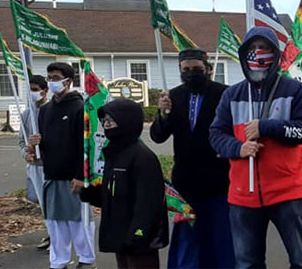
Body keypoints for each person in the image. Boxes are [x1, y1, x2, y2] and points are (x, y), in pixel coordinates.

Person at [209, 27, 302, 269]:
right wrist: (238, 148)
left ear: (276, 54)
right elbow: (216, 134)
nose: (258, 53)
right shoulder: (232, 95)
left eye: (264, 48)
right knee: (247, 264)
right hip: (241, 196)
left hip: (287, 193)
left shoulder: (296, 91)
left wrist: (267, 127)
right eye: (252, 49)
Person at [150, 48, 234, 269]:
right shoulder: (173, 96)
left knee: (220, 235)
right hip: (186, 182)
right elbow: (158, 137)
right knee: (187, 236)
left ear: (208, 69)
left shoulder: (225, 94)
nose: (191, 73)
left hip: (219, 180)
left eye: (196, 69)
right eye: (185, 70)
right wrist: (163, 114)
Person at [77, 99, 168, 269]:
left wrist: (139, 232)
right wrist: (88, 192)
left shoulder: (142, 157)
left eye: (110, 121)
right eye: (104, 122)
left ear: (127, 121)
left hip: (139, 238)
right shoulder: (114, 154)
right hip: (120, 234)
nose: (106, 126)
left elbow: (149, 202)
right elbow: (112, 193)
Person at [29, 62, 96, 269]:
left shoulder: (80, 107)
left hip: (73, 177)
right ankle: (59, 261)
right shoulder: (46, 110)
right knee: (55, 222)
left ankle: (86, 259)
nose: (51, 81)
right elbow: (44, 142)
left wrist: (80, 175)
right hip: (51, 174)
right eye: (49, 77)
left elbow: (85, 144)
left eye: (56, 78)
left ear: (68, 80)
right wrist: (34, 147)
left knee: (78, 221)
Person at [18, 74, 51, 251]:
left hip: (50, 167)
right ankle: (52, 231)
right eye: (29, 90)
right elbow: (21, 142)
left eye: (36, 90)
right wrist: (26, 153)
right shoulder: (26, 114)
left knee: (51, 202)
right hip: (34, 167)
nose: (32, 93)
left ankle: (56, 236)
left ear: (45, 92)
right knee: (39, 201)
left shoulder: (52, 111)